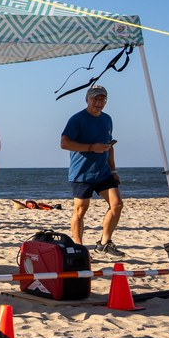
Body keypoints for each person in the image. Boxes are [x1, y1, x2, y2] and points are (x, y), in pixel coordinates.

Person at [60, 85, 123, 255]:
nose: (98, 102)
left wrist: (114, 169)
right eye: (95, 99)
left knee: (117, 205)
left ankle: (104, 242)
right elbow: (64, 143)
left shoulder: (107, 119)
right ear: (87, 99)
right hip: (82, 173)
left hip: (103, 172)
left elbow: (109, 146)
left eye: (102, 99)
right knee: (80, 210)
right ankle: (80, 248)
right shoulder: (77, 119)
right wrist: (90, 147)